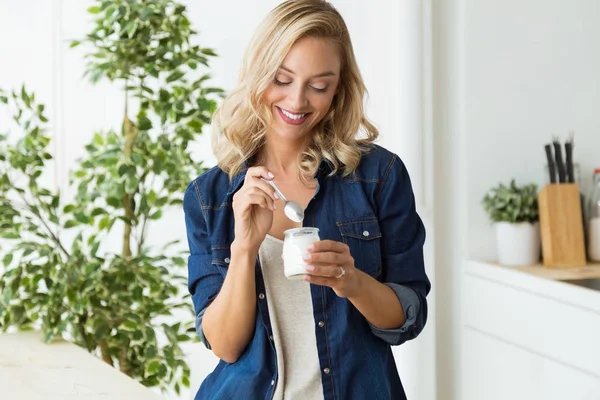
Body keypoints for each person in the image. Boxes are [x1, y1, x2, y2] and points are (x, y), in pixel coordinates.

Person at [183, 1, 430, 399]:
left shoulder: (377, 176)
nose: (297, 101)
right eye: (282, 79)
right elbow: (225, 345)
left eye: (318, 86)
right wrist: (244, 248)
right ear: (258, 73)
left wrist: (351, 282)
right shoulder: (209, 197)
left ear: (337, 90)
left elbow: (407, 318)